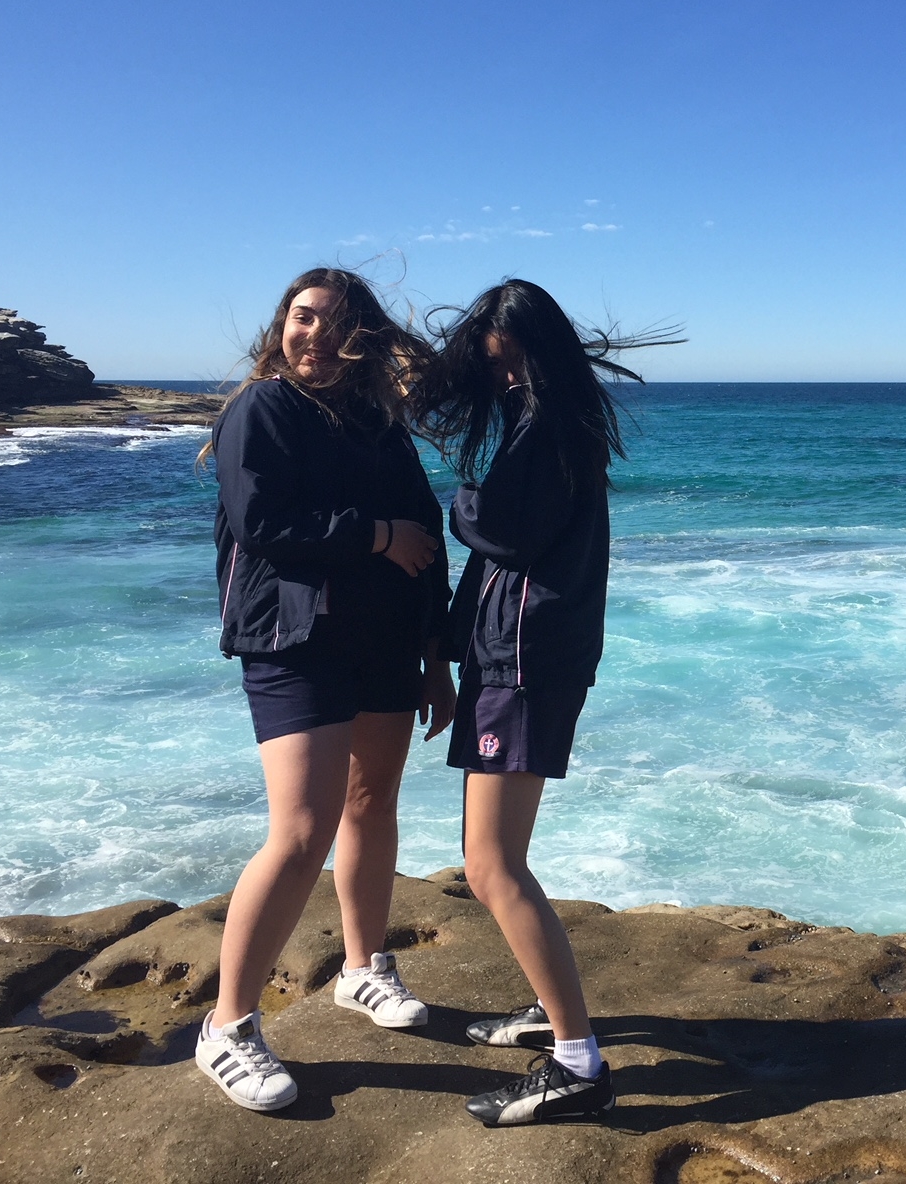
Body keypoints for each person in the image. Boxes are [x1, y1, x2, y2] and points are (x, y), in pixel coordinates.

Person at [411, 279, 677, 1126]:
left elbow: (502, 534)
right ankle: (554, 1010)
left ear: (519, 343)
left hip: (523, 666)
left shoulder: (549, 427)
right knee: (499, 856)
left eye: (494, 352)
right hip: (522, 660)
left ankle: (577, 1064)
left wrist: (455, 505)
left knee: (489, 864)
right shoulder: (556, 421)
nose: (488, 370)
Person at [198, 268, 455, 1112]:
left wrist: (436, 652)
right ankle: (228, 1026)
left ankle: (362, 968)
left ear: (360, 341)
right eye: (302, 317)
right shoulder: (261, 409)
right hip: (293, 640)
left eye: (333, 323)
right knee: (302, 831)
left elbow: (429, 536)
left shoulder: (379, 423)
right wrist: (376, 535)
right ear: (282, 324)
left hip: (382, 643)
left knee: (371, 805)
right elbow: (261, 522)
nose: (312, 334)